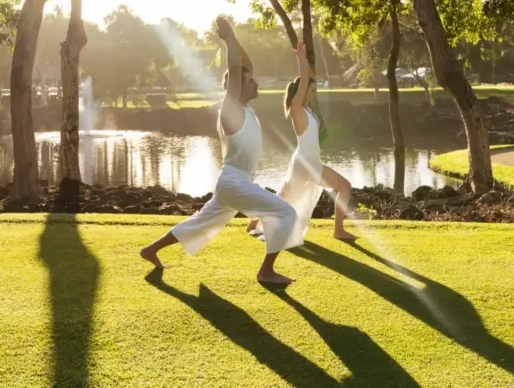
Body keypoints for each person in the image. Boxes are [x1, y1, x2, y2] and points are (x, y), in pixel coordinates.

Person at [139, 16, 300, 284]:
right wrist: (227, 41)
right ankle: (266, 272)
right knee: (286, 213)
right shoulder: (231, 110)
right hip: (234, 181)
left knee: (200, 222)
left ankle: (150, 249)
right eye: (251, 82)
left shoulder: (245, 109)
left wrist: (234, 37)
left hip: (234, 182)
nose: (257, 83)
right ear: (236, 88)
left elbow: (245, 65)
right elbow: (237, 69)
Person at [247, 41, 358, 242]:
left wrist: (305, 59)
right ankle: (338, 231)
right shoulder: (296, 108)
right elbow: (306, 80)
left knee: (286, 197)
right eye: (312, 90)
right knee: (344, 187)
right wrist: (300, 62)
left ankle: (257, 220)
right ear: (303, 91)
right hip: (307, 163)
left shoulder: (305, 108)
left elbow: (310, 78)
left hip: (305, 161)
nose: (314, 94)